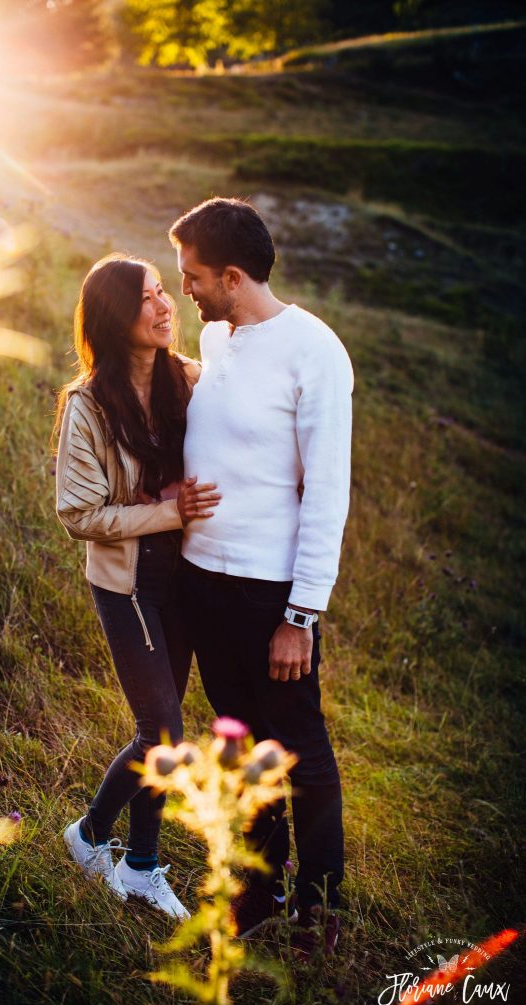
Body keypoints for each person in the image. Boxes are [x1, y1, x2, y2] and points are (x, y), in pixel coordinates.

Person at [169, 198, 353, 955]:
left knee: (298, 747)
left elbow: (326, 491)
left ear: (234, 276)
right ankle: (258, 888)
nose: (186, 290)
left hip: (267, 593)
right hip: (202, 582)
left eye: (193, 277)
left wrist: (300, 614)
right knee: (237, 740)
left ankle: (320, 905)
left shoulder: (313, 351)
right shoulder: (220, 336)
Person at [54, 253, 220, 918]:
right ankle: (114, 851)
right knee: (164, 735)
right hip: (127, 586)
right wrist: (168, 512)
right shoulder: (87, 404)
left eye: (162, 292)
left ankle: (116, 851)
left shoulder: (190, 379)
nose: (163, 306)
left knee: (159, 729)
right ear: (115, 318)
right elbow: (77, 513)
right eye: (146, 298)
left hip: (187, 580)